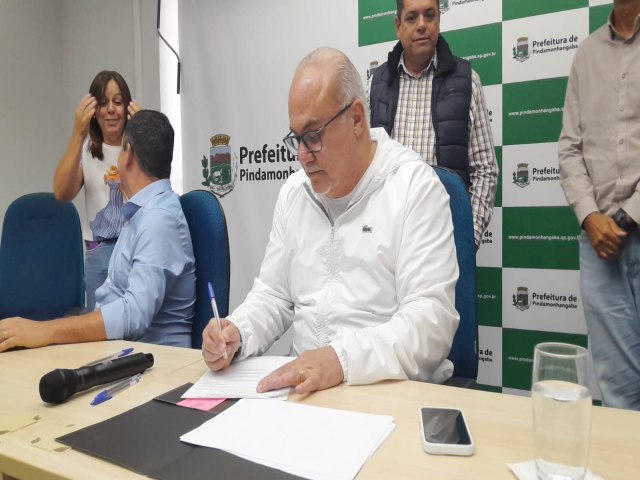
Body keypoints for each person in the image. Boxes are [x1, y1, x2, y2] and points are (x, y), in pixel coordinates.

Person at [202, 47, 459, 395]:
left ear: (356, 119)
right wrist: (237, 331)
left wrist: (340, 359)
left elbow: (431, 323)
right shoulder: (294, 193)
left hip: (386, 392)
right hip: (304, 394)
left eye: (313, 136)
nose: (302, 156)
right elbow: (274, 294)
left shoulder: (414, 187)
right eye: (296, 138)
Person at [0, 110, 196, 351]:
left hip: (153, 362)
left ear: (128, 154)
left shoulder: (159, 219)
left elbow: (134, 315)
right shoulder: (142, 212)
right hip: (123, 353)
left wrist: (45, 330)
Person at [558, 0, 640, 411]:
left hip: (624, 230)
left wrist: (630, 214)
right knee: (618, 398)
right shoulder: (586, 54)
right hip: (599, 246)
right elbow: (569, 149)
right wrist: (590, 216)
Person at [368, 0, 498, 251]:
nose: (421, 25)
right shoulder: (376, 85)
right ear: (398, 26)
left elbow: (485, 170)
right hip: (387, 244)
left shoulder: (467, 81)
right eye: (411, 18)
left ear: (439, 19)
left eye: (429, 15)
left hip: (445, 242)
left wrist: (466, 239)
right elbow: (366, 169)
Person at [54, 71, 141, 310]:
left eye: (118, 102)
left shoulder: (138, 148)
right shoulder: (87, 149)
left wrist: (143, 133)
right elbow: (62, 192)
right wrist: (77, 133)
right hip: (98, 251)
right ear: (93, 110)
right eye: (103, 103)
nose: (111, 109)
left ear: (127, 107)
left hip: (133, 247)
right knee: (98, 323)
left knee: (135, 318)